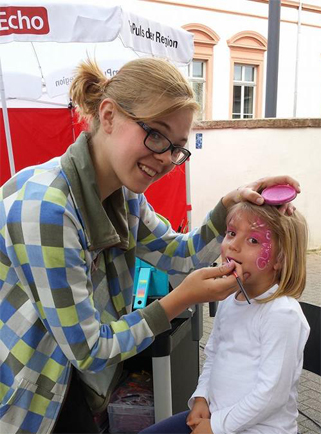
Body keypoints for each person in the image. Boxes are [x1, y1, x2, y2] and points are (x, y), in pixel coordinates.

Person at [0, 56, 300, 434]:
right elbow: (90, 350)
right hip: (28, 398)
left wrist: (229, 206)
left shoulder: (124, 196)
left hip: (71, 382)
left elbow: (181, 256)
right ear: (107, 116)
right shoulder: (45, 210)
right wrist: (178, 300)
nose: (164, 159)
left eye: (177, 147)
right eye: (155, 134)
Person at [140, 200, 309, 434]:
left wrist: (216, 426)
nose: (233, 246)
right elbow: (213, 354)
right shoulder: (230, 299)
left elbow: (272, 394)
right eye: (231, 233)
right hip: (216, 416)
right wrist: (201, 398)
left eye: (253, 240)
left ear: (279, 259)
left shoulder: (282, 314)